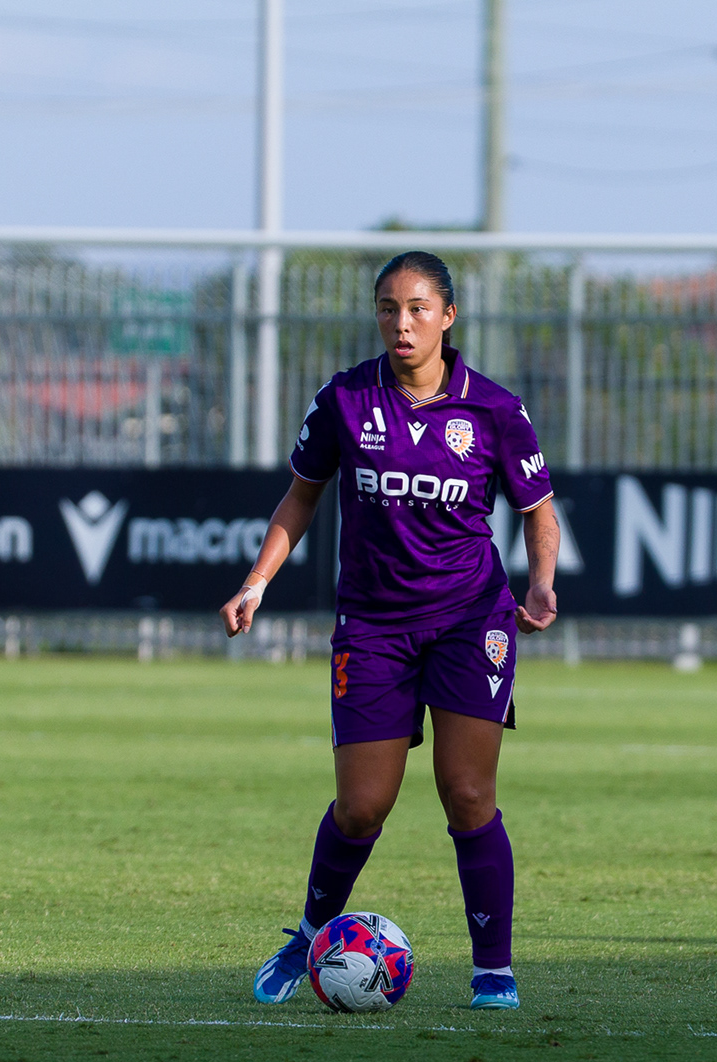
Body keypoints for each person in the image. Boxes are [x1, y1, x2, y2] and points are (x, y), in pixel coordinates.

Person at [220, 250, 560, 1011]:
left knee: (467, 793)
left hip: (471, 619)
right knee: (362, 806)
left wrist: (540, 580)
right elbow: (301, 496)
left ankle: (494, 971)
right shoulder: (346, 398)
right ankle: (311, 934)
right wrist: (256, 581)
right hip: (373, 626)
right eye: (387, 308)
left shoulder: (494, 410)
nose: (400, 323)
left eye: (416, 308)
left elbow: (539, 511)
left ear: (447, 317)